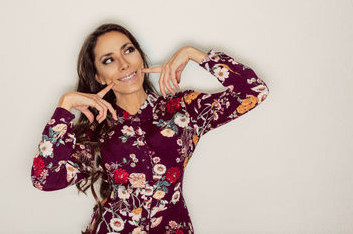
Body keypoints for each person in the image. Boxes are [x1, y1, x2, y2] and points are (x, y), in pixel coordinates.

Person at [30, 23, 270, 234]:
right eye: (109, 60)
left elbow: (254, 91)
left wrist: (192, 54)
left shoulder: (183, 110)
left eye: (128, 50)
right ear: (99, 77)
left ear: (140, 56)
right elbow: (44, 179)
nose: (124, 64)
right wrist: (65, 106)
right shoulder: (96, 132)